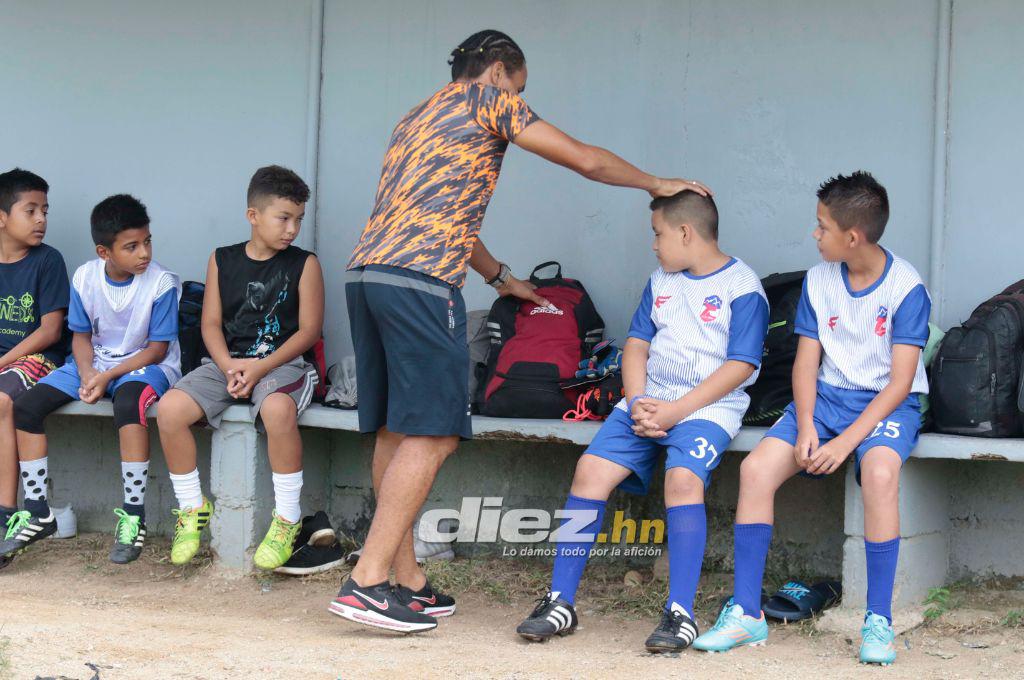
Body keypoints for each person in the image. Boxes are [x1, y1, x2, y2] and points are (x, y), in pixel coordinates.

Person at [333, 28, 713, 634]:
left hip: (368, 275)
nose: (521, 98)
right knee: (434, 434)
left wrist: (501, 278)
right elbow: (585, 159)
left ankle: (406, 581)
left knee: (394, 430)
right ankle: (367, 580)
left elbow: (440, 214)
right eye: (521, 86)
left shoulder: (416, 116)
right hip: (421, 283)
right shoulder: (488, 99)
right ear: (498, 71)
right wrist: (656, 183)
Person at [693, 172, 930, 666]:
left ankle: (878, 620)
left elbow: (900, 383)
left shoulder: (907, 287)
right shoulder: (819, 279)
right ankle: (747, 615)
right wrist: (805, 425)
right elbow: (805, 363)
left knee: (881, 473)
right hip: (824, 401)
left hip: (885, 403)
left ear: (853, 236)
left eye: (822, 226)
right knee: (757, 469)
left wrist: (845, 445)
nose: (814, 234)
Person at [515, 191, 768, 652]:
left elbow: (741, 365)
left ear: (686, 232)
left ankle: (680, 613)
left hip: (708, 407)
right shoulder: (661, 280)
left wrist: (675, 411)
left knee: (683, 478)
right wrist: (637, 402)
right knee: (589, 471)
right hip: (648, 400)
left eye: (658, 234)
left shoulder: (742, 286)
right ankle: (559, 600)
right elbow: (636, 345)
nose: (654, 245)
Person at [156, 165, 323, 571]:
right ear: (254, 216)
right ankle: (192, 508)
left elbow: (309, 331)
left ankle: (286, 519)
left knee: (277, 410)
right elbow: (210, 323)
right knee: (170, 410)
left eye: (298, 220)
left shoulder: (304, 264)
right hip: (225, 362)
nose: (292, 229)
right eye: (283, 218)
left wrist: (260, 367)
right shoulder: (222, 259)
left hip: (282, 363)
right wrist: (229, 364)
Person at [1, 194, 180, 566]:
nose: (144, 253)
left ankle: (133, 516)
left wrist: (107, 375)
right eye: (131, 246)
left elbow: (158, 349)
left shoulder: (161, 283)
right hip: (93, 364)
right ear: (104, 252)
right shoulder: (85, 277)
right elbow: (80, 336)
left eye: (147, 241)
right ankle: (38, 511)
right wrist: (86, 373)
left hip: (145, 367)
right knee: (26, 407)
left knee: (129, 403)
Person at [0, 169, 70, 535]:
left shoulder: (47, 260)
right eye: (31, 210)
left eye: (45, 209)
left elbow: (50, 330)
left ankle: (6, 515)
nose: (42, 218)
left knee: (1, 400)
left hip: (39, 359)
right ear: (2, 217)